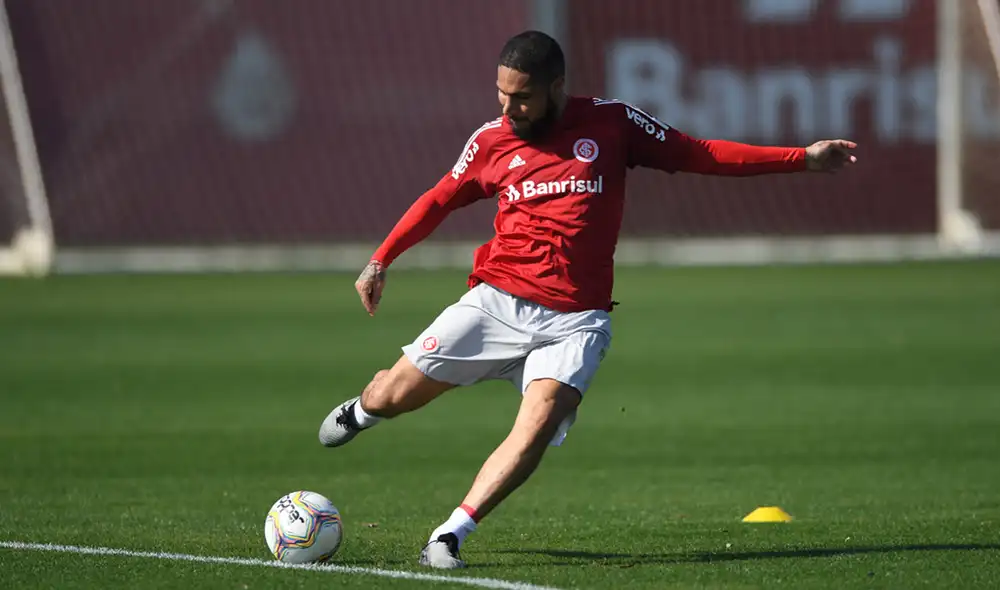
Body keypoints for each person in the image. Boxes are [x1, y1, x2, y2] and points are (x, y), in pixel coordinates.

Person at [319, 30, 857, 569]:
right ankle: (364, 411)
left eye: (522, 97)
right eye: (501, 94)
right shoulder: (491, 141)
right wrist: (380, 260)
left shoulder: (612, 122)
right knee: (391, 395)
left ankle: (449, 535)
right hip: (497, 302)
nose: (508, 108)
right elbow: (439, 199)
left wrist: (802, 159)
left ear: (556, 87)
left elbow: (699, 153)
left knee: (539, 423)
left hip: (576, 321)